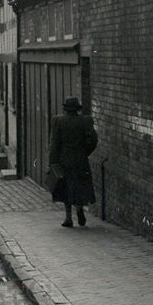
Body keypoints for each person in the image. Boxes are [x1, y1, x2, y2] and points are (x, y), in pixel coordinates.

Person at [48, 96, 98, 227]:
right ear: (77, 109)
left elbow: (54, 144)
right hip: (80, 159)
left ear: (65, 109)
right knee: (79, 185)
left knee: (66, 188)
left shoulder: (58, 121)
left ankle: (68, 218)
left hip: (64, 160)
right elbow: (93, 140)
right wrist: (85, 152)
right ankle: (80, 209)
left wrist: (53, 162)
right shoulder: (85, 121)